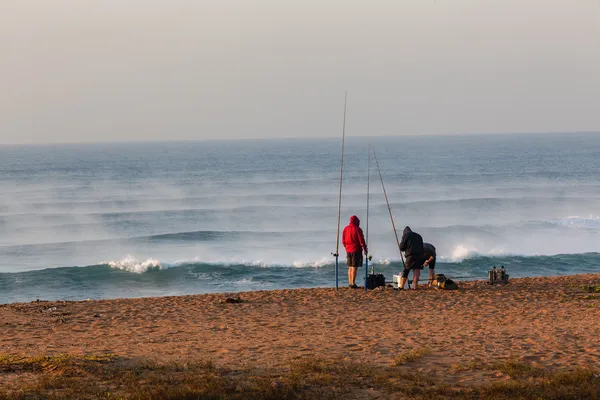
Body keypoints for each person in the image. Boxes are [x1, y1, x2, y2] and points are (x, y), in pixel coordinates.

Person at [342, 215, 368, 289]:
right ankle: (353, 284)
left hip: (348, 250)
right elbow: (361, 240)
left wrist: (346, 247)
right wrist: (365, 249)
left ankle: (350, 282)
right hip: (356, 250)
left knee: (350, 267)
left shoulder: (346, 229)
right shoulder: (357, 229)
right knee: (354, 267)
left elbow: (343, 240)